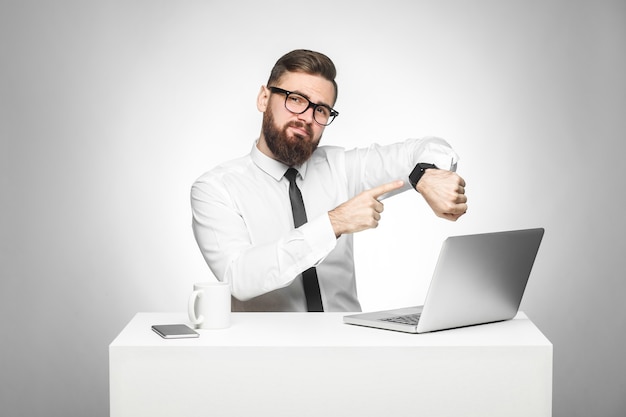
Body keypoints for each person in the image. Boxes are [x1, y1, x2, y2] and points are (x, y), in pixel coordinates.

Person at [191, 49, 467, 312]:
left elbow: (423, 148)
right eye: (295, 99)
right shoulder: (216, 188)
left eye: (321, 110)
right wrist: (334, 223)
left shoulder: (342, 167)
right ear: (264, 98)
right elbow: (239, 278)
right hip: (267, 352)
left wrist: (427, 174)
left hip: (347, 344)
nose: (306, 117)